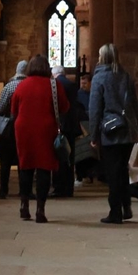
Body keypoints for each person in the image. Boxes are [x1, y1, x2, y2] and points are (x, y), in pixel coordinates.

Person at [10, 54, 69, 223]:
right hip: (45, 129)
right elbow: (64, 107)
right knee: (44, 168)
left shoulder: (22, 85)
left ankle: (24, 205)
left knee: (25, 166)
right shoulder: (53, 85)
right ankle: (40, 209)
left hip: (23, 129)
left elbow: (13, 109)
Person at [89, 43, 138, 224]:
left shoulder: (99, 77)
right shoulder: (125, 76)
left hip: (109, 131)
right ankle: (126, 207)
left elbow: (95, 108)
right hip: (127, 130)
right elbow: (135, 104)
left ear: (102, 57)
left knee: (113, 173)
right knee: (122, 171)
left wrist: (93, 135)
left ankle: (115, 212)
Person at [0, 59, 28, 199]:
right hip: (25, 126)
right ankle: (24, 190)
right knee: (22, 159)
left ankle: (3, 190)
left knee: (5, 161)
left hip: (9, 126)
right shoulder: (28, 85)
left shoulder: (9, 86)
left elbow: (1, 107)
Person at [51, 66, 81, 197]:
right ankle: (69, 188)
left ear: (54, 74)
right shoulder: (72, 85)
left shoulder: (55, 85)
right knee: (70, 157)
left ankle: (59, 187)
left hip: (61, 125)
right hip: (72, 125)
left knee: (58, 156)